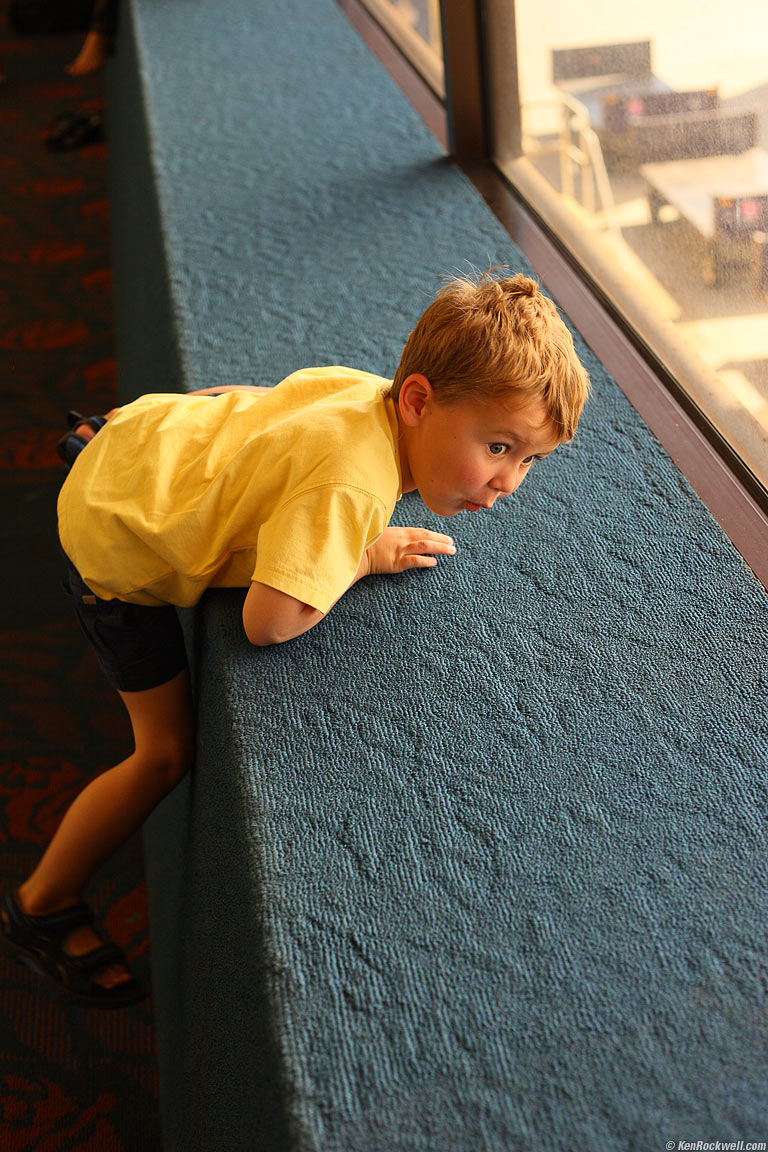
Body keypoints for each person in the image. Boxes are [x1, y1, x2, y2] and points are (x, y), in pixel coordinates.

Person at [0, 271, 590, 1007]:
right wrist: (363, 556)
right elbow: (269, 622)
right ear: (418, 402)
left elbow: (250, 397)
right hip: (109, 546)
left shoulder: (363, 390)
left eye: (529, 458)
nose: (510, 482)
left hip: (133, 440)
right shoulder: (352, 489)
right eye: (499, 446)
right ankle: (41, 904)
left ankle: (101, 439)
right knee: (164, 753)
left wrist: (142, 423)